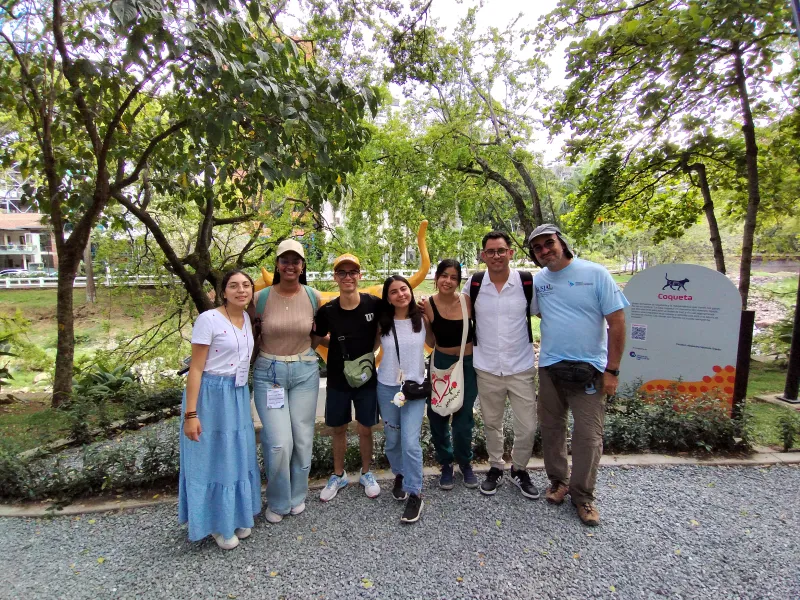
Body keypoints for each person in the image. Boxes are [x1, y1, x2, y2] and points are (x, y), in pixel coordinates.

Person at [528, 224, 629, 527]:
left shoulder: (596, 273)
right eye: (537, 248)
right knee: (551, 428)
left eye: (549, 243)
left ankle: (583, 496)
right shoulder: (539, 281)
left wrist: (612, 370)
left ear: (561, 242)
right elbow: (543, 314)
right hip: (550, 367)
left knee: (588, 435)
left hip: (590, 370)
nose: (544, 250)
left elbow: (617, 322)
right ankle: (558, 481)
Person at [179, 270, 261, 550]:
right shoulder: (209, 319)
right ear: (223, 291)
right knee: (212, 457)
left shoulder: (246, 318)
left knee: (235, 454)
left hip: (236, 393)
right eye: (234, 286)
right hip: (211, 396)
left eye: (246, 285)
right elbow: (196, 368)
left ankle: (234, 515)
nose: (241, 290)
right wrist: (191, 415)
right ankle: (215, 523)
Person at [462, 231, 540, 499]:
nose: (496, 256)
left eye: (501, 250)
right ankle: (495, 466)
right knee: (492, 423)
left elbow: (545, 313)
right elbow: (455, 312)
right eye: (491, 251)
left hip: (520, 368)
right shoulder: (474, 284)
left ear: (510, 253)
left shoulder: (526, 282)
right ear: (483, 255)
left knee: (527, 426)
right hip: (487, 368)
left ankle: (519, 469)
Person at [251, 239, 321, 524]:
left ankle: (297, 496)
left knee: (302, 439)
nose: (290, 265)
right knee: (279, 442)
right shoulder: (259, 298)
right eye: (285, 260)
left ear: (302, 266)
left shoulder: (314, 297)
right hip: (269, 374)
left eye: (296, 261)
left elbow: (319, 334)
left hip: (305, 371)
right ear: (277, 265)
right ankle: (278, 500)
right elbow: (245, 333)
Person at [312, 254, 382, 501]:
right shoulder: (327, 311)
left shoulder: (374, 304)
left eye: (352, 272)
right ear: (335, 277)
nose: (348, 277)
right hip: (337, 377)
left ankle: (366, 472)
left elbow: (385, 328)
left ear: (360, 275)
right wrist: (335, 345)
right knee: (338, 428)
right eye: (342, 272)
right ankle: (338, 474)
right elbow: (316, 338)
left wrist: (371, 349)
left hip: (366, 378)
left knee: (365, 427)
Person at [376, 275, 432, 523]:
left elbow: (434, 343)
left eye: (404, 289)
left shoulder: (422, 318)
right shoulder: (383, 323)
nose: (401, 294)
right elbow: (369, 347)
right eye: (394, 292)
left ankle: (415, 492)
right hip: (387, 387)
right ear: (388, 298)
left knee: (410, 442)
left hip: (414, 388)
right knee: (393, 439)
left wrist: (431, 312)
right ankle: (399, 473)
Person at [421, 259, 479, 490]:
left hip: (467, 363)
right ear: (436, 278)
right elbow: (430, 342)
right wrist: (426, 322)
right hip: (441, 363)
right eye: (444, 275)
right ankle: (446, 463)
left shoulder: (467, 301)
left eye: (454, 277)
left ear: (459, 281)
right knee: (438, 414)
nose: (448, 281)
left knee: (463, 419)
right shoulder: (428, 304)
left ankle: (465, 462)